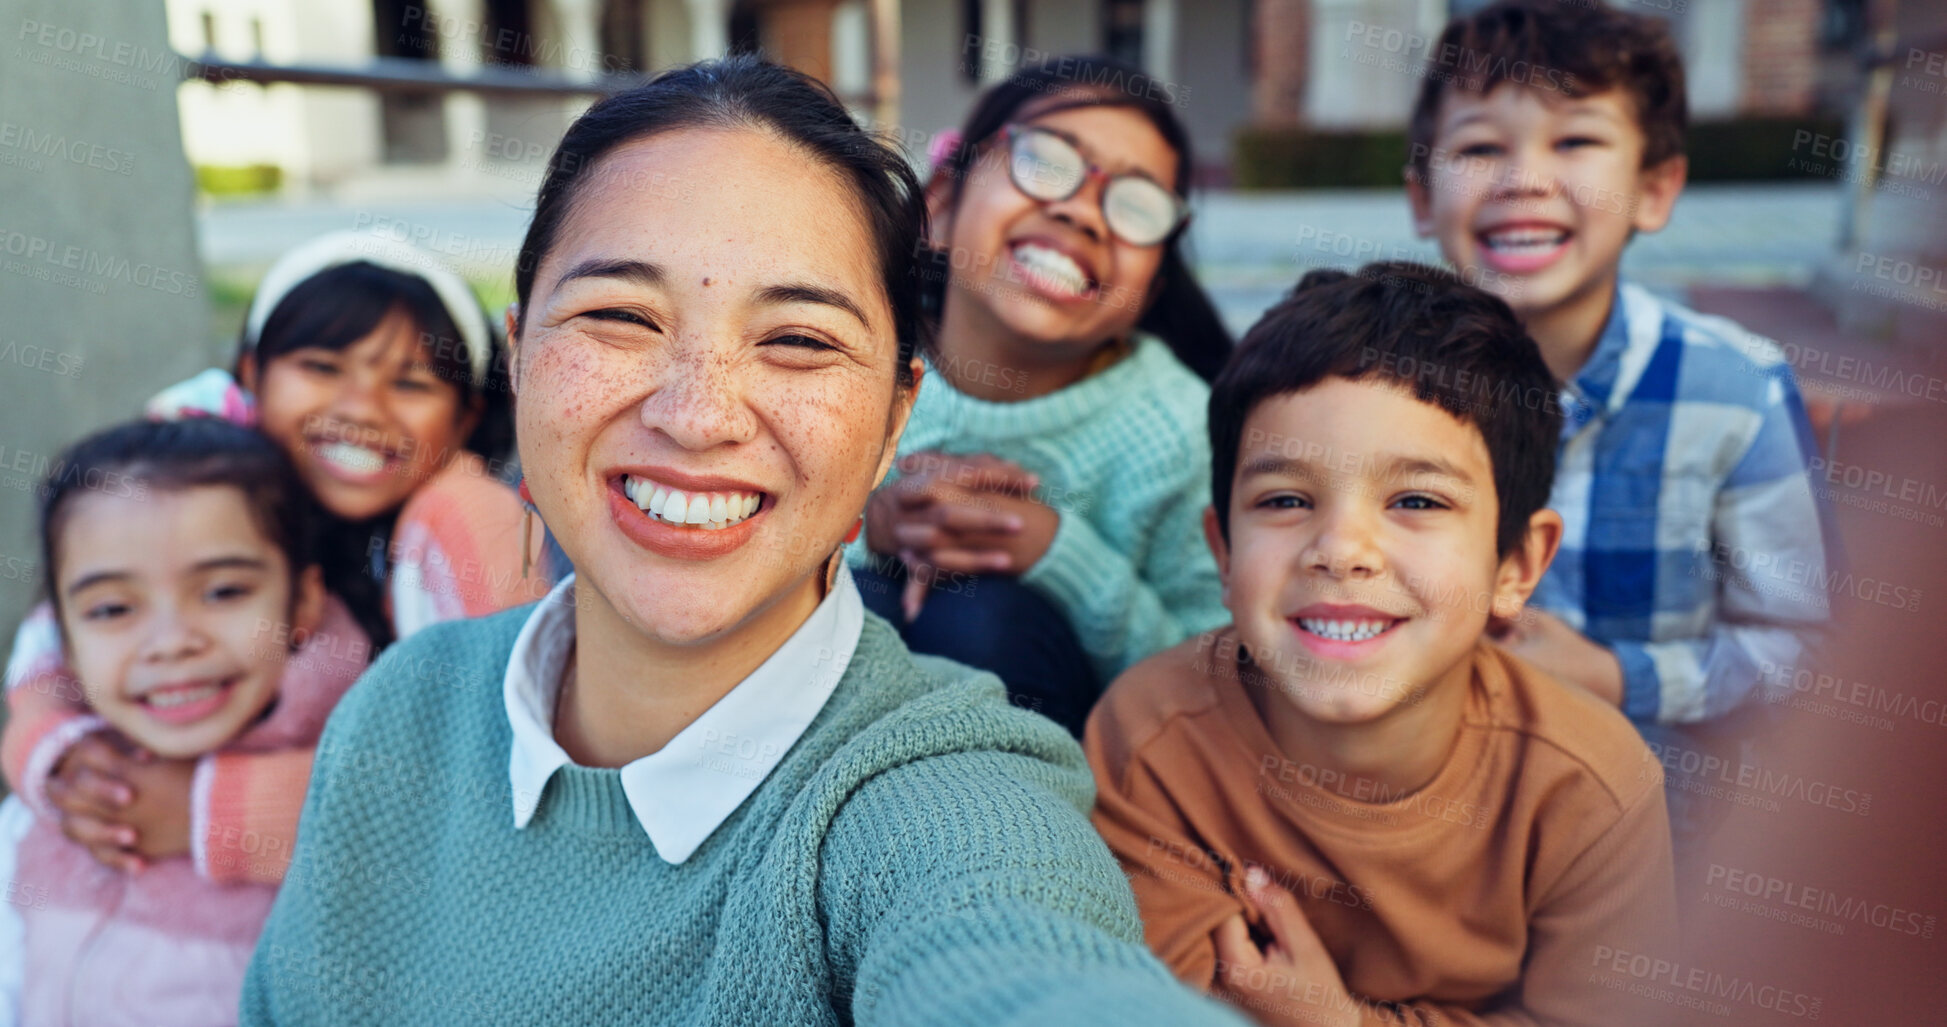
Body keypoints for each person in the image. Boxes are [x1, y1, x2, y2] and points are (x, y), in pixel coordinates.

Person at [239, 57, 1243, 1025]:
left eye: (799, 339)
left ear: (899, 417)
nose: (698, 415)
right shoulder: (398, 711)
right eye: (622, 315)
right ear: (519, 354)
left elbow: (1017, 954)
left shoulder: (943, 802)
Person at [1087, 265, 1677, 1026]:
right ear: (1224, 553)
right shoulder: (1150, 741)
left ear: (1516, 565)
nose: (1341, 549)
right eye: (1285, 500)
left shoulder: (1592, 789)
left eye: (1416, 500)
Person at [0, 232, 551, 886]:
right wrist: (58, 751)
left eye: (409, 382)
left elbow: (502, 752)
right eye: (321, 367)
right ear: (251, 376)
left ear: (466, 419)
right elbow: (61, 630)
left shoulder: (458, 521)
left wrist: (210, 808)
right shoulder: (200, 483)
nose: (359, 408)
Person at [1402, 0, 1830, 728]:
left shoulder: (1732, 390)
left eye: (1574, 140)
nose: (1523, 180)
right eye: (1479, 149)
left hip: (1663, 819)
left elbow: (1805, 646)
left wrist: (1614, 676)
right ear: (1420, 197)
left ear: (1652, 189)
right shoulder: (1374, 386)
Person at [847, 55, 1233, 736]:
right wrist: (870, 527)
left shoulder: (1176, 432)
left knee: (982, 618)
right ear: (941, 199)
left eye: (1137, 205)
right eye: (1048, 162)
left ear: (1154, 281)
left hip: (1070, 765)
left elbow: (1219, 689)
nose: (1082, 212)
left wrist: (1057, 553)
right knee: (853, 602)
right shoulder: (842, 356)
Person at [0, 419, 369, 1024]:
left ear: (302, 603)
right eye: (113, 608)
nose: (171, 643)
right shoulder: (48, 813)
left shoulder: (369, 791)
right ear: (60, 635)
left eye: (223, 592)